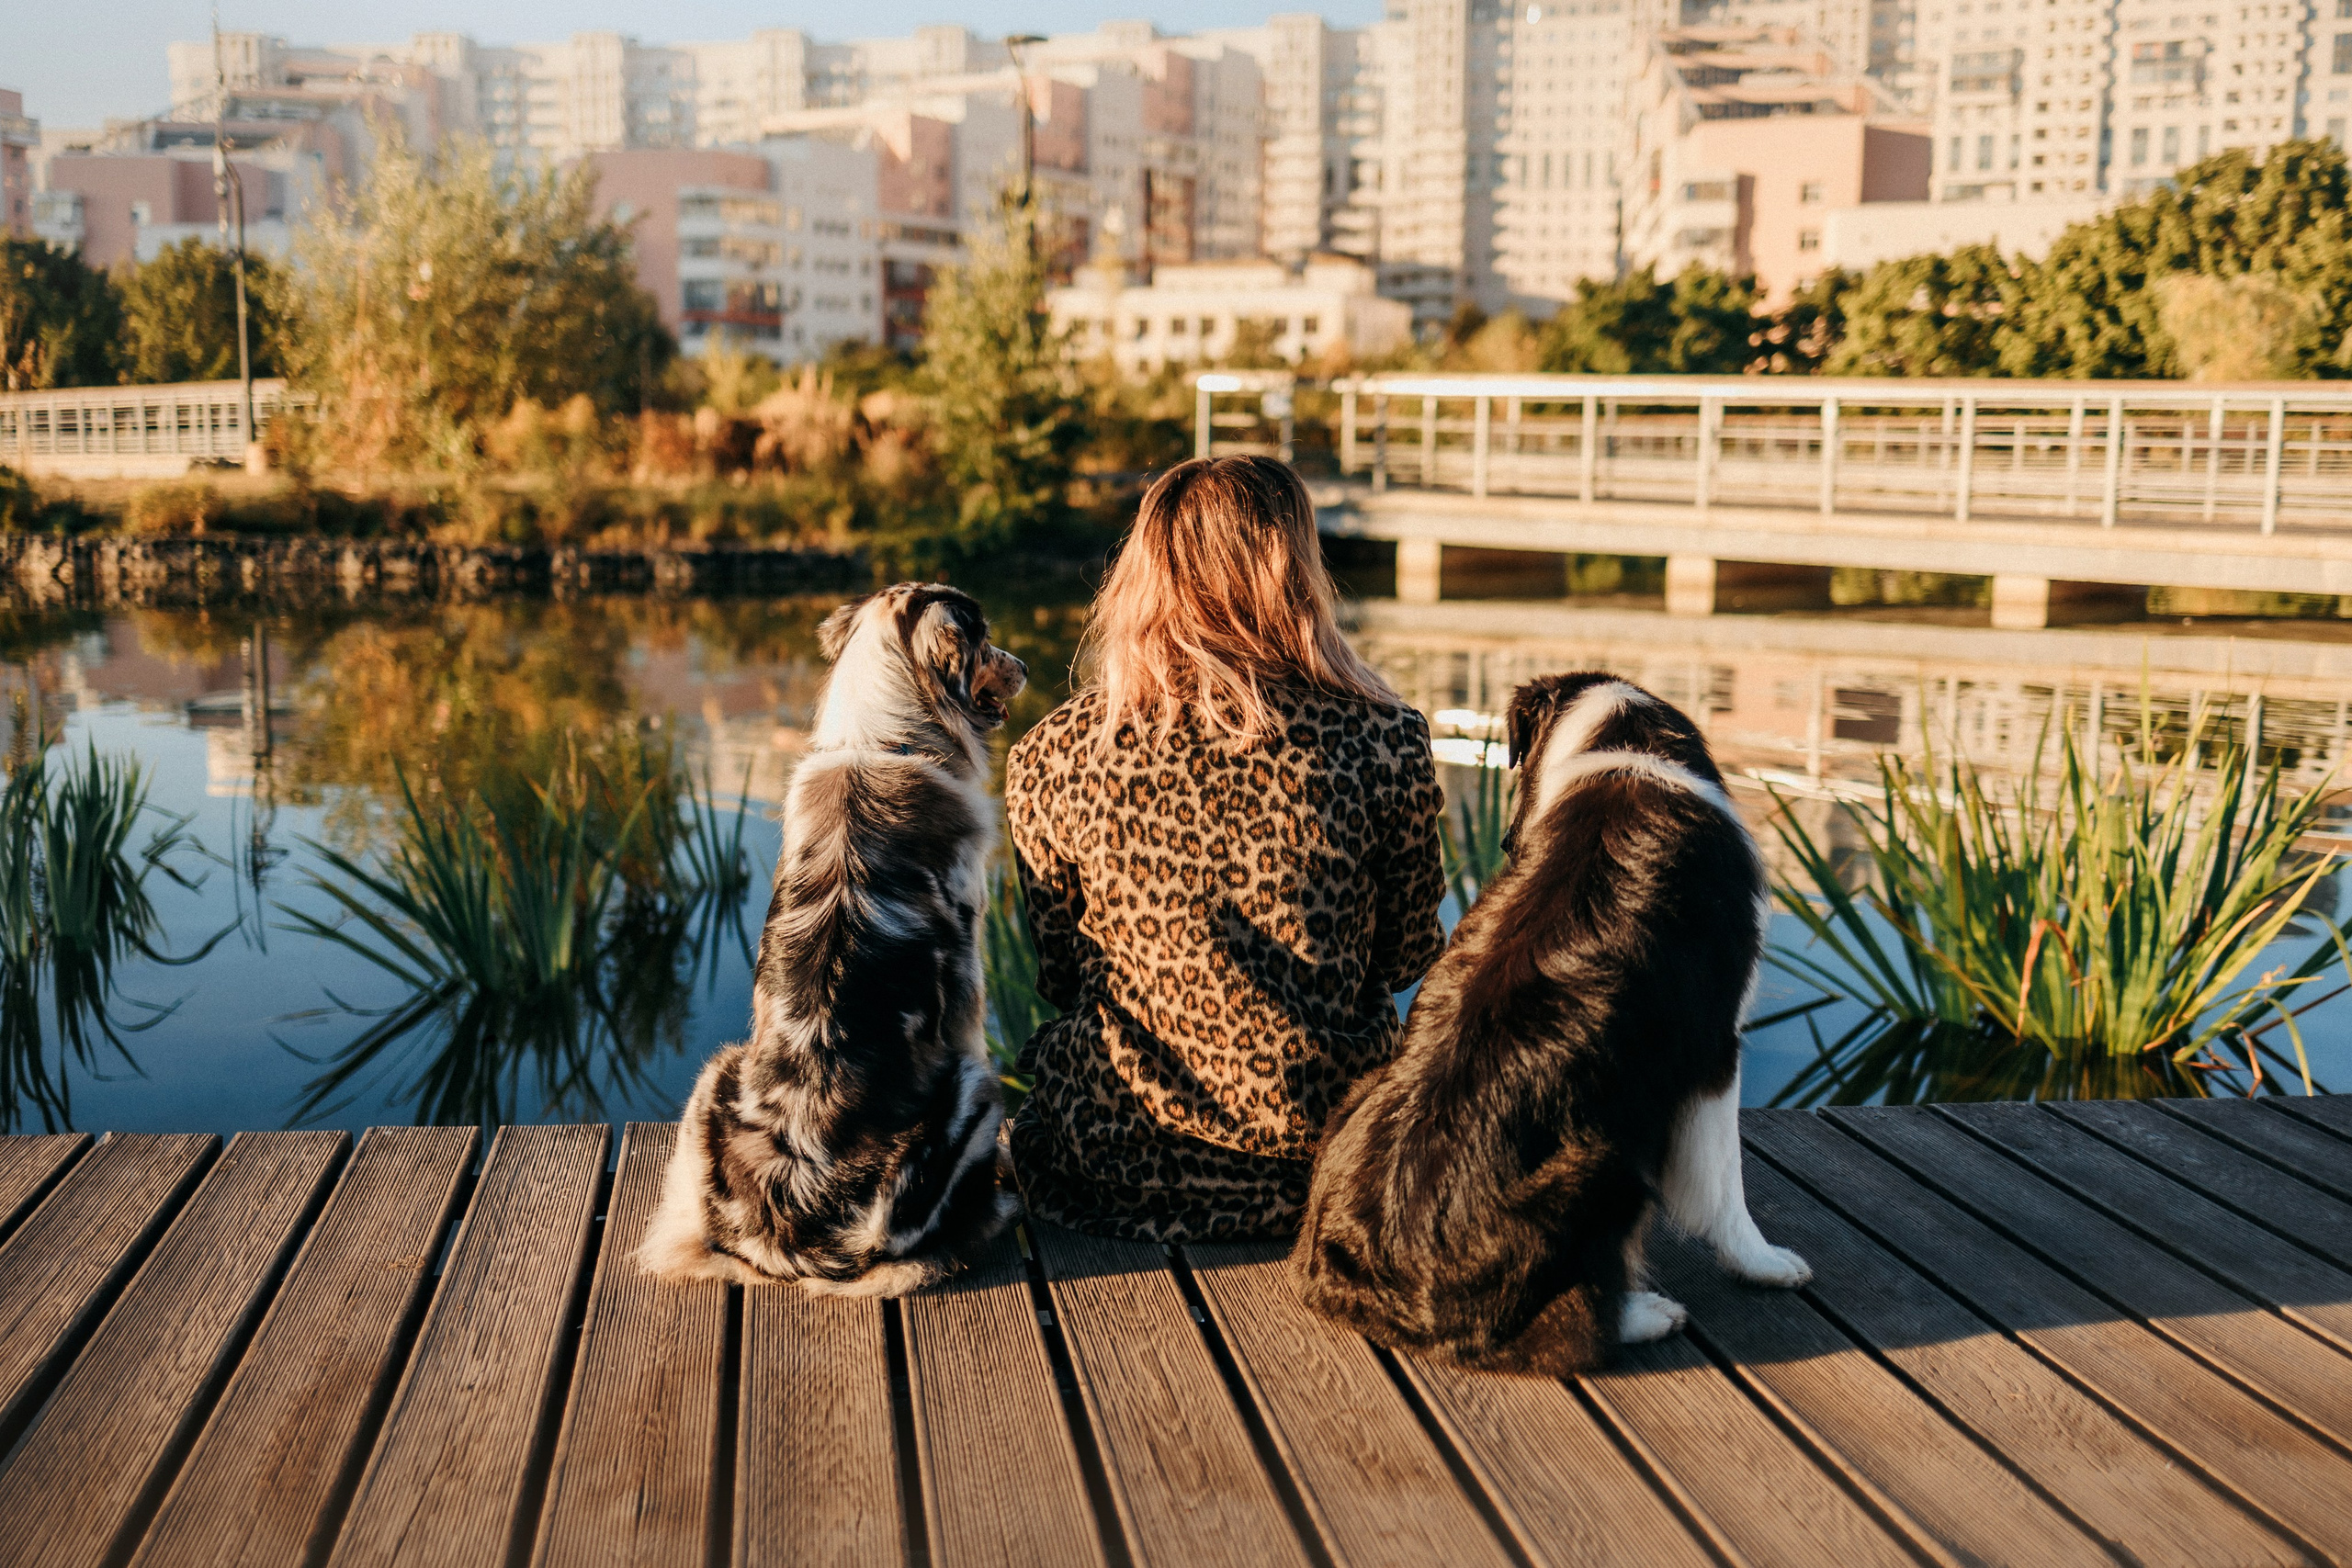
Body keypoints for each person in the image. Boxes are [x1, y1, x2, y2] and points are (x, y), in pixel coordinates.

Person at [1004, 455, 1447, 1242]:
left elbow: (1060, 973)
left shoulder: (1053, 752)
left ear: (1139, 576)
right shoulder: (1386, 740)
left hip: (1113, 1159)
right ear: (1297, 573)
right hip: (1328, 1164)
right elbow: (1408, 956)